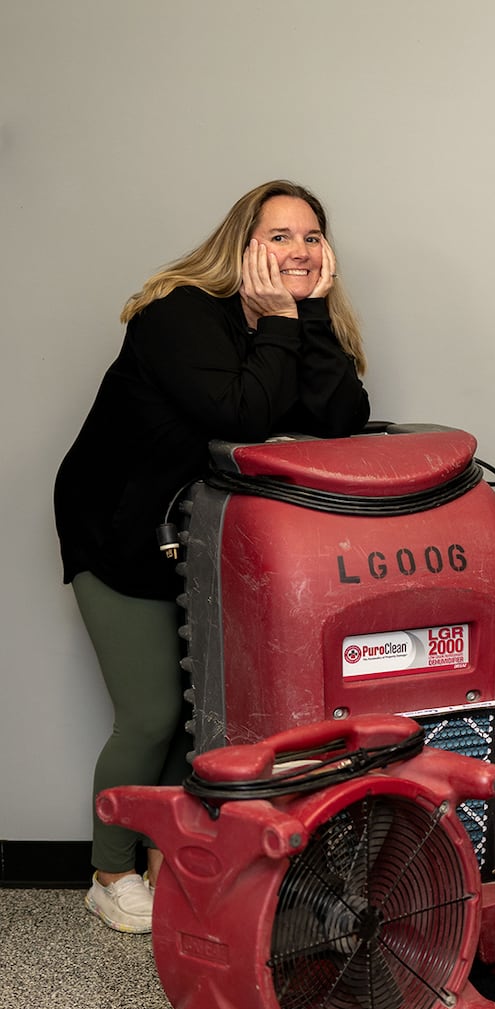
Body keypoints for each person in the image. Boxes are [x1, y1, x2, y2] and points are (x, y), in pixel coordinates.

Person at [55, 181, 371, 933]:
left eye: (311, 237)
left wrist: (312, 317)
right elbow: (243, 416)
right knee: (152, 712)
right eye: (279, 236)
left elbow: (342, 421)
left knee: (201, 714)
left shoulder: (296, 323)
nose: (298, 250)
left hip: (199, 540)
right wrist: (284, 325)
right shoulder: (180, 316)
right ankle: (108, 873)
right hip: (119, 531)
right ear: (242, 245)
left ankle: (170, 867)